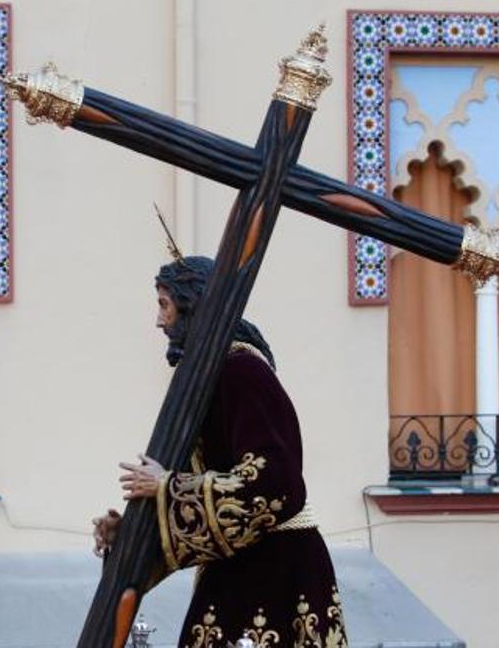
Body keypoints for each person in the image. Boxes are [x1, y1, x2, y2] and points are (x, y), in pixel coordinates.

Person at [93, 255, 348, 648]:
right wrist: (131, 532)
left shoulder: (243, 371)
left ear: (193, 305)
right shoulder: (211, 377)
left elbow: (276, 481)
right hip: (237, 569)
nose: (159, 321)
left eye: (164, 305)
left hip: (277, 571)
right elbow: (195, 498)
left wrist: (168, 486)